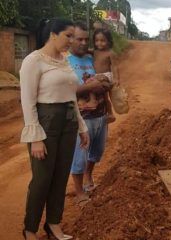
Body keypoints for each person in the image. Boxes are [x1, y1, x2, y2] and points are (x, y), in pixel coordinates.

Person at [20, 18, 89, 240]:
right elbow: (27, 101)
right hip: (45, 122)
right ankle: (30, 229)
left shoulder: (65, 60)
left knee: (60, 177)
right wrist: (36, 138)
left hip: (68, 121)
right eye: (68, 36)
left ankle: (53, 225)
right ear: (53, 34)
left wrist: (81, 127)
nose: (71, 41)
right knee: (42, 179)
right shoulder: (34, 61)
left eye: (73, 36)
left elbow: (71, 97)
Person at [68, 22, 112, 207]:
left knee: (97, 151)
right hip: (80, 118)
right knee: (79, 156)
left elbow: (107, 75)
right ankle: (79, 192)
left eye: (87, 39)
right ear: (70, 39)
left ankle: (88, 176)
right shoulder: (65, 61)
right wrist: (89, 87)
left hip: (100, 114)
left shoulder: (90, 58)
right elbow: (63, 90)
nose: (84, 43)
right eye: (80, 39)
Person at [78, 28, 117, 123]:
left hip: (106, 76)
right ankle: (110, 113)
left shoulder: (110, 53)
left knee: (90, 82)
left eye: (102, 40)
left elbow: (115, 67)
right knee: (105, 97)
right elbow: (86, 50)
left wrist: (116, 79)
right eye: (97, 41)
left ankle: (92, 101)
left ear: (108, 41)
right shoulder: (95, 52)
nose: (99, 43)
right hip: (98, 76)